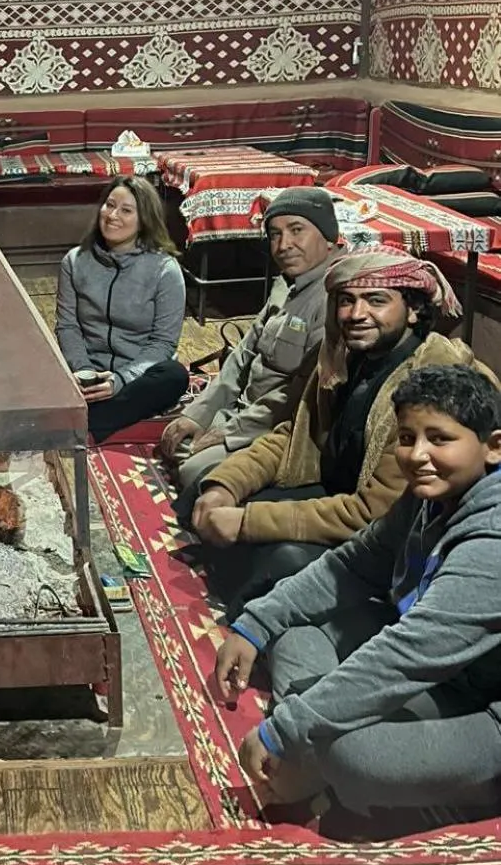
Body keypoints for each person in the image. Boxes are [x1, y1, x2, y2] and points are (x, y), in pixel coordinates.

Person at [214, 365, 501, 817]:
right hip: (440, 671)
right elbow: (350, 564)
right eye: (407, 438)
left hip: (486, 707)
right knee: (297, 631)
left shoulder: (493, 540)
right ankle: (316, 758)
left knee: (351, 753)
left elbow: (411, 654)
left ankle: (464, 792)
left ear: (493, 447)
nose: (418, 455)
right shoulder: (429, 496)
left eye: (440, 439)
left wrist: (283, 732)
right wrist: (254, 625)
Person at [187, 248, 489, 617]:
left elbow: (375, 513)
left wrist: (248, 522)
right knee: (205, 489)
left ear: (413, 310)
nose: (356, 314)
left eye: (376, 300)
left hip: (392, 535)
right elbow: (296, 435)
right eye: (346, 301)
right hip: (335, 492)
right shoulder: (344, 358)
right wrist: (226, 484)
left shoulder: (430, 384)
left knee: (282, 559)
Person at [160, 187, 341, 495]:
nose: (284, 245)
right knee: (176, 438)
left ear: (327, 237)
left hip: (278, 430)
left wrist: (228, 434)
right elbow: (242, 356)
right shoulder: (286, 284)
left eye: (297, 231)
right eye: (274, 235)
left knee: (194, 472)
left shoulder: (334, 300)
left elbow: (296, 398)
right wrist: (200, 413)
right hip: (242, 412)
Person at [55, 177, 189, 441]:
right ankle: (93, 411)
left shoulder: (165, 270)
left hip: (135, 378)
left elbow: (163, 344)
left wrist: (120, 381)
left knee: (175, 376)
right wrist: (83, 372)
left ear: (144, 220)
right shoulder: (75, 261)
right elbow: (67, 326)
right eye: (109, 205)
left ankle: (87, 423)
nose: (113, 215)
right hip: (85, 371)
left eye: (126, 210)